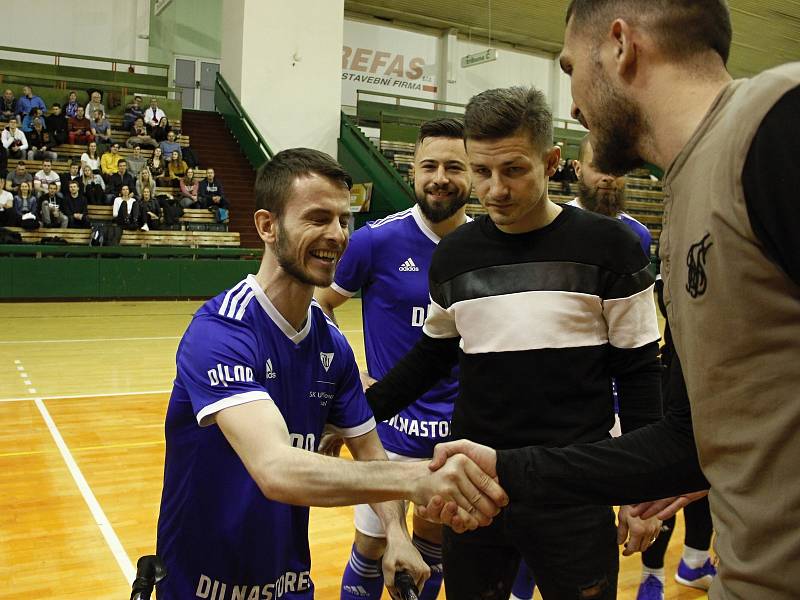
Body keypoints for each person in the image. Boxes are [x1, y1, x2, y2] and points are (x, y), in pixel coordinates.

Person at [424, 3, 800, 599]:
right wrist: (512, 469)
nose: (572, 104)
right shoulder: (684, 198)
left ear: (620, 47)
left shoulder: (777, 121)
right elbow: (686, 439)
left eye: (571, 66)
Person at [154, 147, 507, 600]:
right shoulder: (221, 330)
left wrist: (396, 533)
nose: (336, 235)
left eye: (343, 220)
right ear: (267, 226)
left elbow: (369, 453)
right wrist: (418, 478)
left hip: (289, 582)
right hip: (201, 586)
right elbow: (276, 469)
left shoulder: (331, 346)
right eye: (317, 218)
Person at [366, 86, 663, 600]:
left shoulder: (612, 248)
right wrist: (356, 413)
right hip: (476, 488)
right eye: (481, 171)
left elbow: (639, 377)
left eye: (514, 170)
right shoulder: (455, 256)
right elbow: (431, 357)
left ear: (551, 162)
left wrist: (643, 491)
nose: (495, 189)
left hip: (575, 490)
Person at [315, 119, 471, 600]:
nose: (439, 177)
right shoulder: (377, 240)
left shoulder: (487, 245)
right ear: (412, 171)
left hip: (459, 433)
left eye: (453, 166)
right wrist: (349, 377)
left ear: (473, 172)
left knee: (432, 546)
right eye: (429, 166)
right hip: (389, 427)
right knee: (371, 544)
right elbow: (320, 303)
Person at [572, 136, 651, 256]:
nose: (608, 177)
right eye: (598, 167)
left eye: (617, 168)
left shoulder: (639, 234)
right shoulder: (556, 226)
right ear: (578, 169)